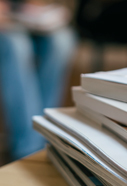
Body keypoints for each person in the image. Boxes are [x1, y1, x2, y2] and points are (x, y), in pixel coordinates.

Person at [0, 0, 75, 160]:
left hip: (23, 18)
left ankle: (45, 134)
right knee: (16, 45)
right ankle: (29, 149)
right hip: (6, 25)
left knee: (62, 41)